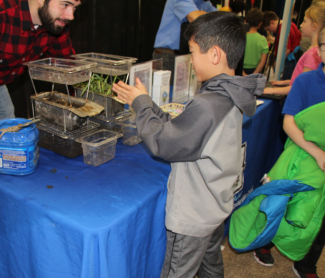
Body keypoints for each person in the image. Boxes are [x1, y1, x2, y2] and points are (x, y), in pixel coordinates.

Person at [113, 12, 265, 278]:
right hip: (215, 204)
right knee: (210, 263)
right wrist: (146, 103)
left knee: (177, 271)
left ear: (215, 54)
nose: (191, 61)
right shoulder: (228, 93)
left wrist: (141, 105)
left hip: (193, 216)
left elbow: (164, 142)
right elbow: (181, 130)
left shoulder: (208, 105)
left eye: (193, 52)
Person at [0, 0, 84, 171]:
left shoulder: (54, 22)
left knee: (13, 148)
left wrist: (85, 105)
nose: (70, 16)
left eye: (75, 8)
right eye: (65, 4)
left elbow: (68, 67)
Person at [250, 26, 325, 278]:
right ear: (318, 50)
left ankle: (306, 263)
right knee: (283, 201)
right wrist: (317, 153)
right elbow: (289, 123)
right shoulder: (306, 81)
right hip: (302, 155)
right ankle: (266, 242)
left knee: (320, 216)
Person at [264, 2, 325, 96]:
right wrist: (285, 82)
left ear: (314, 25)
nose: (300, 25)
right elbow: (302, 78)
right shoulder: (316, 51)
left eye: (304, 21)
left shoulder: (312, 54)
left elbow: (301, 86)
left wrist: (270, 91)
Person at [153, 0, 217, 84]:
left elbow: (220, 20)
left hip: (184, 57)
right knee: (164, 94)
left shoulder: (204, 3)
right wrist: (201, 14)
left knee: (184, 94)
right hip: (167, 56)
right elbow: (197, 18)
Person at [243, 8, 269, 75]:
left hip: (240, 70)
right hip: (256, 70)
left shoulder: (239, 37)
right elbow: (263, 61)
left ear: (245, 21)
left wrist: (242, 73)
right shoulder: (263, 40)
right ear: (260, 24)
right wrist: (253, 75)